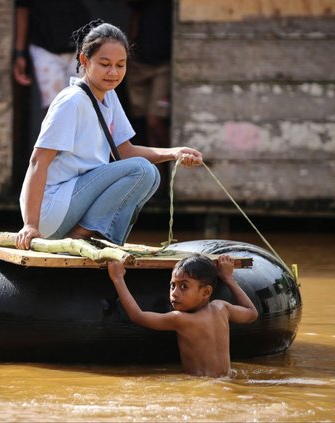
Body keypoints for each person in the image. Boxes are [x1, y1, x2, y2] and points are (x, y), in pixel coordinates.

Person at [14, 20, 203, 250]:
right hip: (51, 209)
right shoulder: (71, 101)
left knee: (151, 175)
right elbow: (37, 161)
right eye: (105, 64)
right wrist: (30, 225)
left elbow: (125, 152)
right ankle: (80, 236)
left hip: (76, 201)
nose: (113, 72)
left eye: (120, 65)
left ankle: (95, 236)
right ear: (84, 60)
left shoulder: (109, 96)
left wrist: (174, 153)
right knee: (142, 169)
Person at [107, 254, 259, 378]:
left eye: (184, 286)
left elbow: (137, 316)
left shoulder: (181, 319)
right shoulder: (222, 308)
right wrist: (228, 278)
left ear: (206, 292)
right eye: (173, 285)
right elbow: (252, 313)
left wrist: (118, 278)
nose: (174, 293)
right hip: (227, 379)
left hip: (200, 386)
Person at [126, 0, 173, 200]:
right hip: (140, 63)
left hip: (162, 64)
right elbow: (134, 20)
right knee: (144, 122)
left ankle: (170, 169)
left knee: (154, 121)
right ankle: (157, 183)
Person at [13, 0, 90, 114]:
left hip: (80, 45)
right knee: (54, 110)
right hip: (45, 47)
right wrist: (19, 53)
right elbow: (22, 8)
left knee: (84, 106)